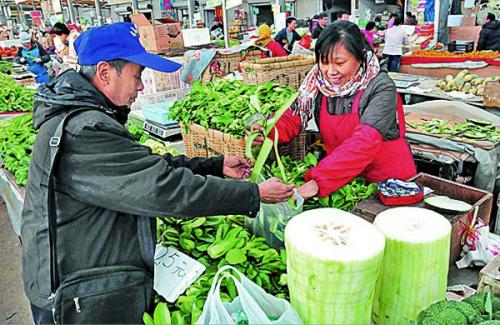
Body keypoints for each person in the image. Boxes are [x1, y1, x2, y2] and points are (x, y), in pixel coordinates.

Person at [21, 22, 294, 325]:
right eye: (136, 75)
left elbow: (144, 166)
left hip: (79, 276)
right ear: (104, 72)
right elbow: (160, 187)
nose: (140, 86)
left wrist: (214, 166)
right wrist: (252, 194)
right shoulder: (84, 129)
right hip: (74, 293)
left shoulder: (88, 116)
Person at [251, 21, 416, 201]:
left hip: (387, 182)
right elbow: (294, 116)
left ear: (360, 58)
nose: (330, 72)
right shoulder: (317, 83)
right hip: (342, 180)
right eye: (324, 62)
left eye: (339, 63)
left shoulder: (381, 87)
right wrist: (268, 132)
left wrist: (316, 182)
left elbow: (365, 142)